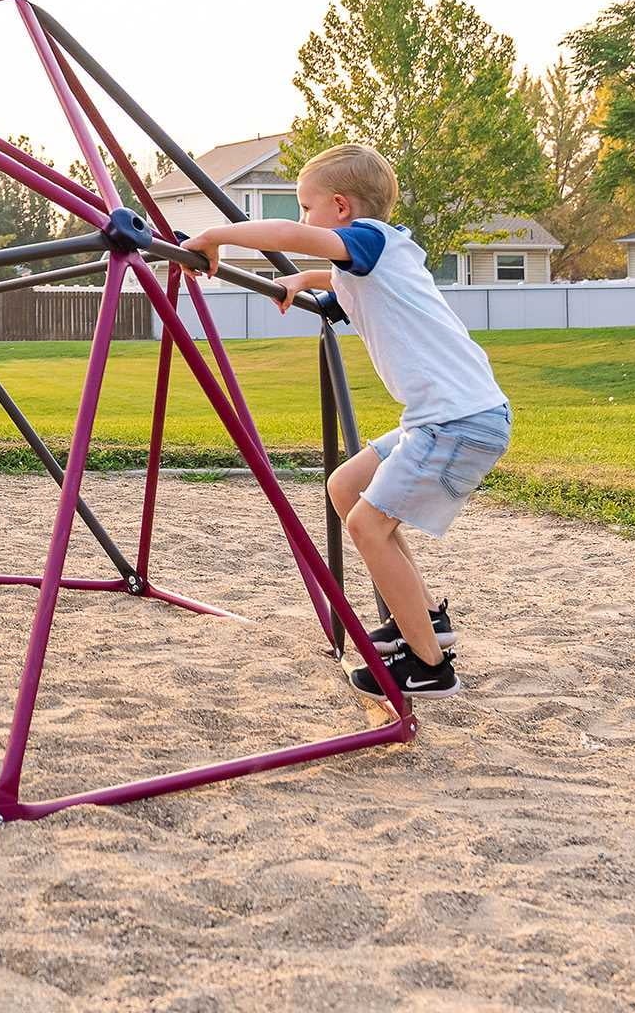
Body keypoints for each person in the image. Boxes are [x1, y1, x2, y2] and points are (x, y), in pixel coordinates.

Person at [181, 143, 511, 698]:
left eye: (305, 207)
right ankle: (427, 619)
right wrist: (304, 282)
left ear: (340, 207)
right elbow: (336, 282)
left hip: (457, 421)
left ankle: (430, 666)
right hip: (443, 417)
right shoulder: (379, 259)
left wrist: (216, 237)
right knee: (345, 486)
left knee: (366, 527)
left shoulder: (371, 241)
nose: (302, 218)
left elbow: (294, 239)